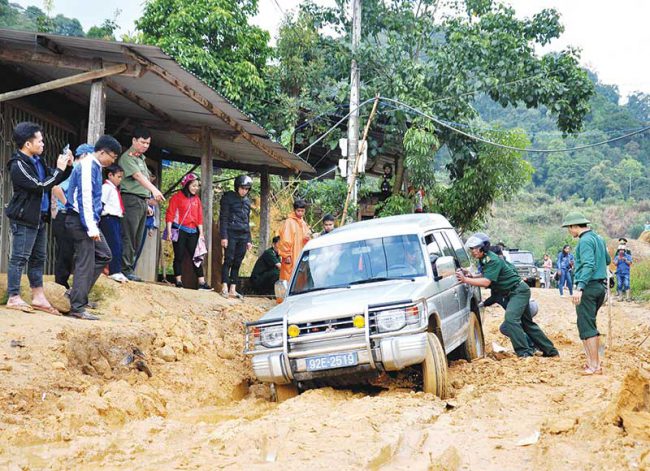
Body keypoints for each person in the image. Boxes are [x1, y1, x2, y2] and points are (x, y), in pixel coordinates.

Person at [4, 122, 73, 314]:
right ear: (27, 143)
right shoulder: (18, 164)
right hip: (24, 217)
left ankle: (38, 296)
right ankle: (13, 296)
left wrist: (65, 168)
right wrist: (59, 171)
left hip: (39, 218)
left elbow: (53, 178)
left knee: (38, 259)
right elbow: (40, 186)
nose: (43, 144)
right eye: (40, 141)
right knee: (19, 258)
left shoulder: (37, 161)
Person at [456, 233, 558, 358]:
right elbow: (486, 275)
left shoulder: (492, 260)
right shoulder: (485, 259)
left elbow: (486, 281)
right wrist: (471, 276)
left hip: (518, 291)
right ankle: (550, 351)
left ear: (483, 247)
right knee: (527, 324)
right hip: (516, 291)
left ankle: (524, 352)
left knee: (511, 319)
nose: (473, 251)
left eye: (475, 248)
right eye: (471, 249)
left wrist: (466, 280)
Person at [65, 135, 122, 320]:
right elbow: (85, 198)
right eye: (112, 157)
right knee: (85, 262)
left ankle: (77, 294)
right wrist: (91, 227)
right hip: (80, 220)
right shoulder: (88, 165)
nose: (113, 161)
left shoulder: (96, 167)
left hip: (87, 221)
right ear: (102, 152)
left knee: (104, 254)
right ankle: (78, 307)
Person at [561, 212, 611, 375]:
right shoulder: (599, 238)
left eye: (569, 228)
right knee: (587, 323)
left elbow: (589, 265)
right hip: (600, 287)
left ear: (575, 226)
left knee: (587, 327)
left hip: (589, 287)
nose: (570, 231)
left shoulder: (584, 241)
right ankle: (592, 362)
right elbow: (608, 260)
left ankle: (594, 365)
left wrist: (579, 288)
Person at [118, 127, 164, 282]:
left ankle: (129, 269)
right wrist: (154, 189)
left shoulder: (141, 159)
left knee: (138, 238)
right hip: (131, 199)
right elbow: (137, 176)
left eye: (148, 143)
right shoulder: (127, 157)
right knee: (129, 236)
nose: (145, 146)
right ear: (134, 141)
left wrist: (149, 202)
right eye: (143, 142)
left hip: (142, 201)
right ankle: (124, 269)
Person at [51, 143, 93, 289]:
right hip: (64, 215)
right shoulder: (75, 170)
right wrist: (69, 206)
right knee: (65, 252)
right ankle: (60, 285)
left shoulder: (77, 170)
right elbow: (56, 188)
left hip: (66, 215)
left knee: (69, 252)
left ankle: (64, 285)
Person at [165, 173, 212, 291]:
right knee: (179, 256)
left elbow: (199, 217)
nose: (196, 188)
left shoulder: (196, 199)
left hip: (193, 231)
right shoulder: (176, 197)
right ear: (186, 185)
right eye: (194, 185)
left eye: (197, 186)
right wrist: (169, 231)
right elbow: (170, 215)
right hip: (180, 230)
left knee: (196, 257)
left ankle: (201, 283)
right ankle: (178, 281)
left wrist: (201, 233)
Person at [219, 175, 253, 298]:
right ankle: (224, 287)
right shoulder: (228, 198)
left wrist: (249, 240)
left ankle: (233, 289)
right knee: (228, 260)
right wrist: (224, 236)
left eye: (247, 189)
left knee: (238, 261)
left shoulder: (247, 201)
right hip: (231, 233)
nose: (244, 191)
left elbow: (247, 221)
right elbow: (223, 218)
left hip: (243, 234)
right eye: (242, 188)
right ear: (237, 187)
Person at [100, 164, 128, 283]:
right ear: (110, 175)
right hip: (108, 218)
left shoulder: (114, 189)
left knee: (119, 245)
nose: (119, 179)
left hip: (116, 218)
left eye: (121, 177)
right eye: (118, 176)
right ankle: (113, 271)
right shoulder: (106, 188)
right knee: (113, 245)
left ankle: (117, 270)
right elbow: (101, 204)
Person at [278, 199, 312, 282]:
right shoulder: (289, 222)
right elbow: (285, 239)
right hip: (291, 255)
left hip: (300, 254)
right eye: (298, 211)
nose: (300, 213)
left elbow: (306, 238)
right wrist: (287, 255)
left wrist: (307, 238)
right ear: (294, 210)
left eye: (302, 211)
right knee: (288, 277)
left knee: (298, 277)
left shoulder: (303, 223)